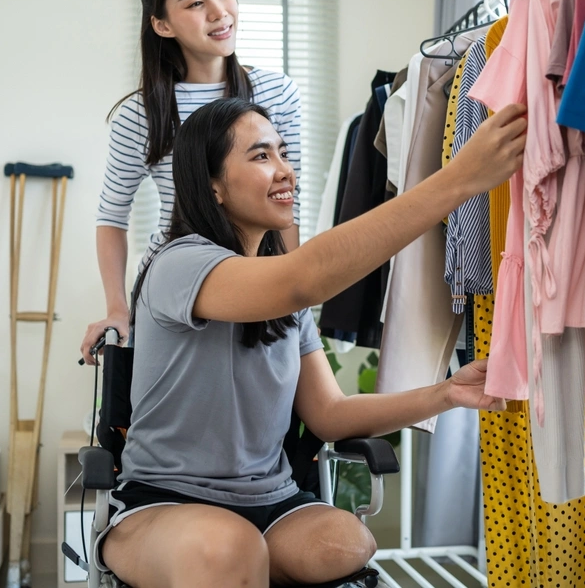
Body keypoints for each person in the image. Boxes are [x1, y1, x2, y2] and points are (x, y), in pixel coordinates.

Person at [95, 97, 527, 587]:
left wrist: (446, 393)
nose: (285, 172)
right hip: (164, 501)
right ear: (212, 185)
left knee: (345, 544)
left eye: (282, 153)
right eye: (261, 157)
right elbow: (304, 279)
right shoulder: (178, 264)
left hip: (271, 504)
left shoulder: (285, 297)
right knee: (228, 550)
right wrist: (459, 180)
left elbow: (329, 413)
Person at [81, 0, 304, 364]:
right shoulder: (141, 113)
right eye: (195, 3)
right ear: (162, 25)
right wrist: (117, 309)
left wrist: (295, 284)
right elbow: (112, 217)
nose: (219, 12)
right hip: (179, 287)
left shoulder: (278, 91)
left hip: (263, 280)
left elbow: (288, 201)